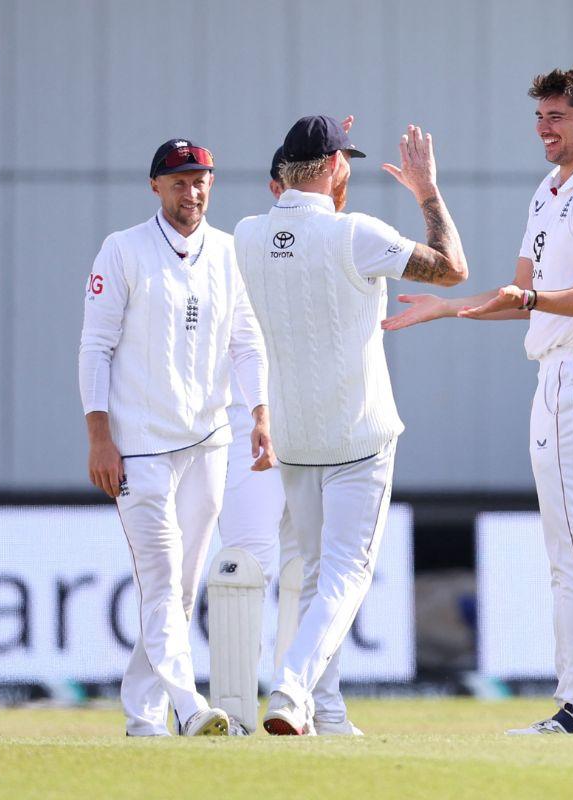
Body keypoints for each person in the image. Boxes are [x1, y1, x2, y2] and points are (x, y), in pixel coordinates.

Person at [382, 64, 573, 734]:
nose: (542, 129)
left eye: (555, 117)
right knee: (570, 548)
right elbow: (516, 295)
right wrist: (446, 309)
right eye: (539, 117)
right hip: (558, 376)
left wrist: (532, 300)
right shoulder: (550, 190)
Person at [235, 115, 468, 735]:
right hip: (357, 434)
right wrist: (427, 192)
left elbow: (285, 212)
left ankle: (327, 712)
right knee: (346, 574)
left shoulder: (247, 235)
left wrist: (298, 178)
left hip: (295, 435)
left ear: (281, 174)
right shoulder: (355, 234)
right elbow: (453, 269)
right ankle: (290, 688)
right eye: (346, 164)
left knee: (312, 578)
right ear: (337, 167)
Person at [78, 138, 272, 737]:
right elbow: (95, 348)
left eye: (201, 180)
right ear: (156, 186)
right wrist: (99, 438)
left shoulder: (229, 252)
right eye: (179, 181)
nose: (192, 192)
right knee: (161, 579)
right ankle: (189, 708)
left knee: (181, 588)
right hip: (139, 447)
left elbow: (246, 341)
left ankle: (142, 717)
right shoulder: (124, 249)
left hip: (209, 441)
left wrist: (260, 415)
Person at [209, 142, 359, 737]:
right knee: (248, 564)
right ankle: (237, 710)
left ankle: (321, 708)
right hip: (255, 429)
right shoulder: (240, 243)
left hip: (314, 433)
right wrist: (255, 415)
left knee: (316, 574)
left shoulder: (328, 241)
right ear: (277, 190)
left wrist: (335, 173)